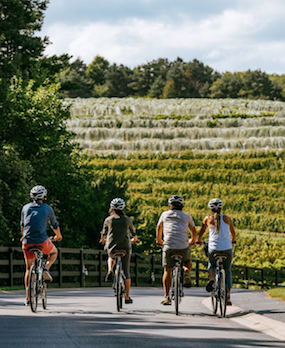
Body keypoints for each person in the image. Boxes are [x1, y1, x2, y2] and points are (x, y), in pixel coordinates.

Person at [20, 185, 62, 305]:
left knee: (28, 268)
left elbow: (23, 225)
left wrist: (23, 236)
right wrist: (58, 236)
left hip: (27, 242)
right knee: (54, 252)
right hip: (42, 241)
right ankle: (45, 268)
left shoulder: (25, 208)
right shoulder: (47, 208)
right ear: (43, 196)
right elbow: (54, 225)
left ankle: (28, 297)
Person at [156, 195, 197, 305]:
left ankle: (166, 296)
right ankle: (187, 273)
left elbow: (159, 228)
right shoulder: (187, 216)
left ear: (170, 205)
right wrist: (192, 240)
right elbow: (194, 230)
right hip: (183, 246)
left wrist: (159, 241)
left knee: (167, 270)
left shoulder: (164, 214)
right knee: (188, 261)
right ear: (182, 206)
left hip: (168, 246)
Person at [197, 198, 236, 305]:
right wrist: (233, 240)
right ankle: (228, 297)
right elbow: (232, 232)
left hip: (213, 248)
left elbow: (201, 231)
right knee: (227, 271)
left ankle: (212, 279)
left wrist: (199, 240)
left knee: (212, 264)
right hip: (227, 248)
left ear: (210, 208)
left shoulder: (207, 219)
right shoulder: (227, 218)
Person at [100, 197, 138, 304]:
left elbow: (103, 234)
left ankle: (110, 270)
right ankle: (127, 296)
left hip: (112, 246)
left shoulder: (108, 220)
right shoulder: (127, 220)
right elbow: (134, 235)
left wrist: (103, 240)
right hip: (125, 247)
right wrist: (134, 240)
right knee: (126, 271)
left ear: (111, 208)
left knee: (111, 256)